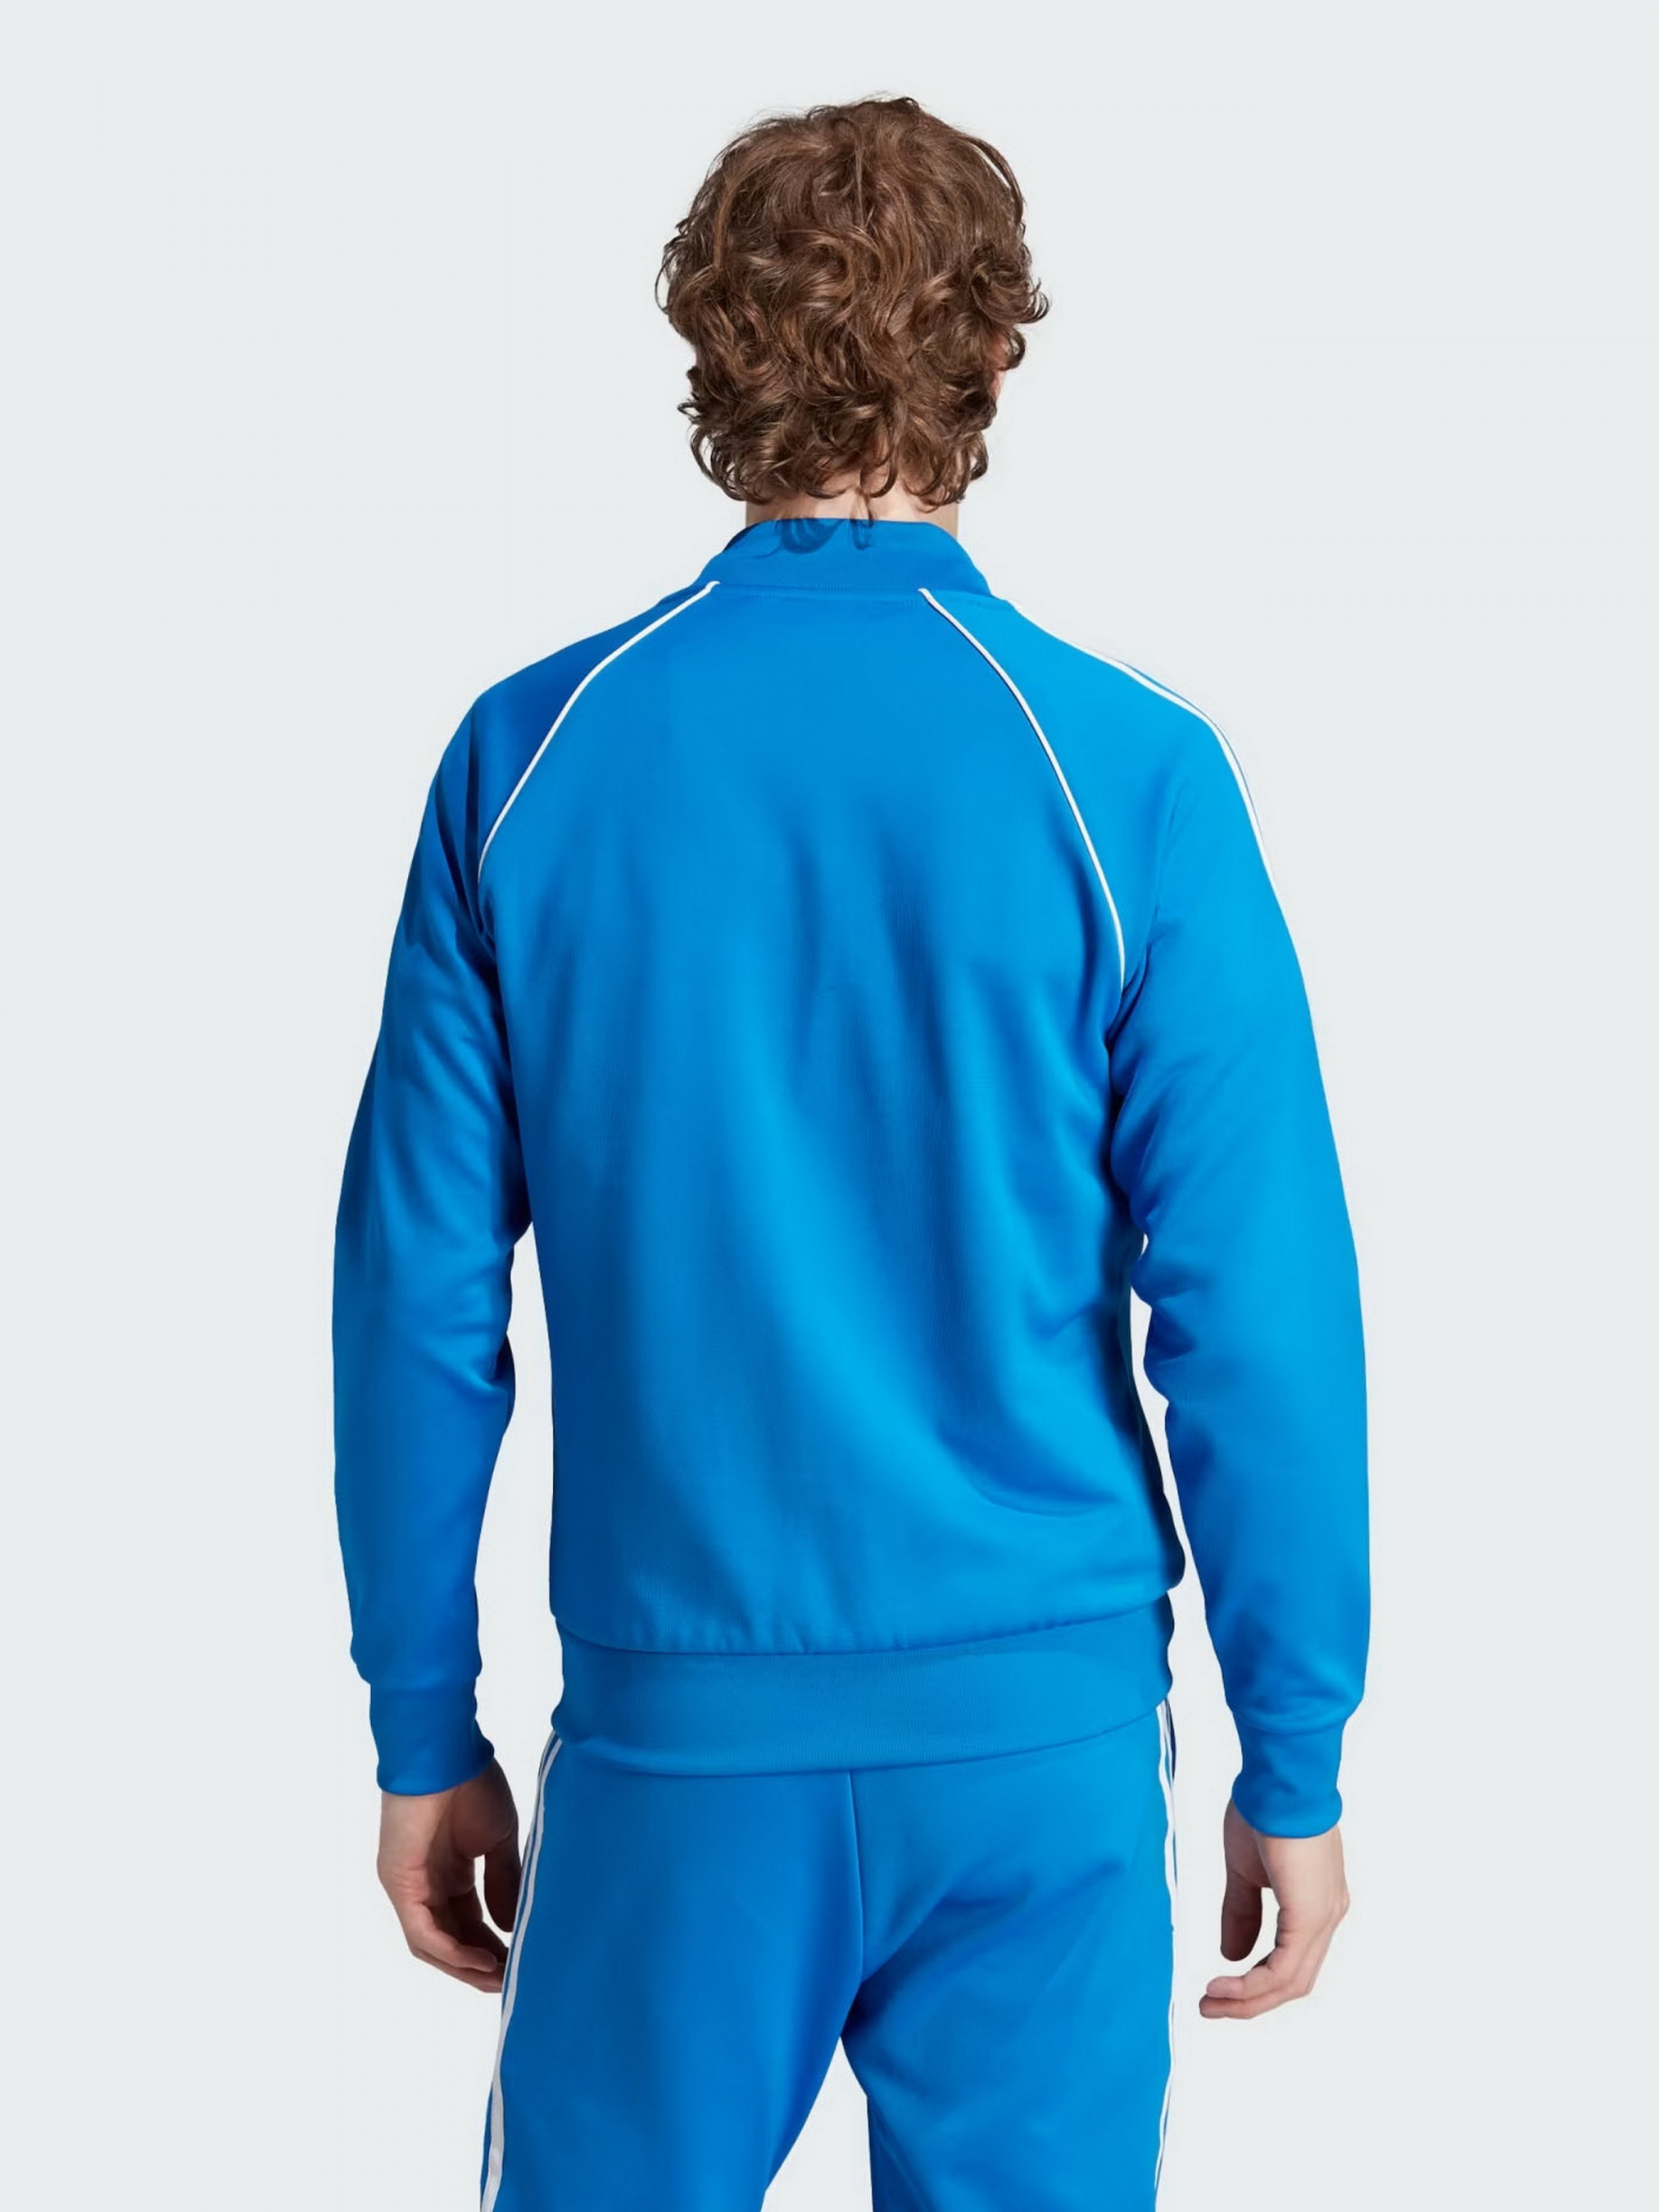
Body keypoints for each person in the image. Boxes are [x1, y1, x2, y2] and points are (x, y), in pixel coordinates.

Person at [333, 93, 1368, 2212]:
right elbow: (1257, 1312)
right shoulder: (1127, 771)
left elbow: (418, 1301)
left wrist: (423, 1719)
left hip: (681, 1742)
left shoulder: (534, 757)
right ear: (991, 354)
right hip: (1038, 1749)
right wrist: (1294, 1746)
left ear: (710, 352)